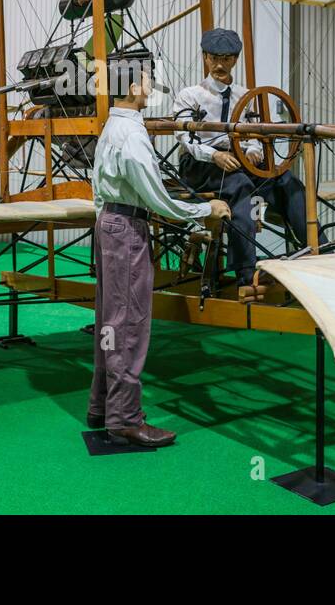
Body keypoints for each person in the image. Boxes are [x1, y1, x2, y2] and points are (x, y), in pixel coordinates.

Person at [89, 60, 231, 447]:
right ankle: (125, 419)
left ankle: (101, 406)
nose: (152, 84)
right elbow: (158, 198)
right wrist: (205, 210)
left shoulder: (113, 126)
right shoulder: (131, 135)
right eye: (147, 78)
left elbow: (99, 188)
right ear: (134, 86)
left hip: (110, 223)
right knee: (129, 325)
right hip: (127, 229)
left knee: (109, 322)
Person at [172, 28, 308, 289]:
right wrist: (215, 156)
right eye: (213, 58)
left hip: (238, 161)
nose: (219, 65)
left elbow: (254, 133)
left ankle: (317, 250)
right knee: (240, 186)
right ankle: (246, 272)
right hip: (198, 164)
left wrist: (254, 149)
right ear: (205, 58)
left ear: (235, 60)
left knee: (287, 181)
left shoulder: (245, 96)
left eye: (226, 58)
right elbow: (186, 139)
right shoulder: (189, 96)